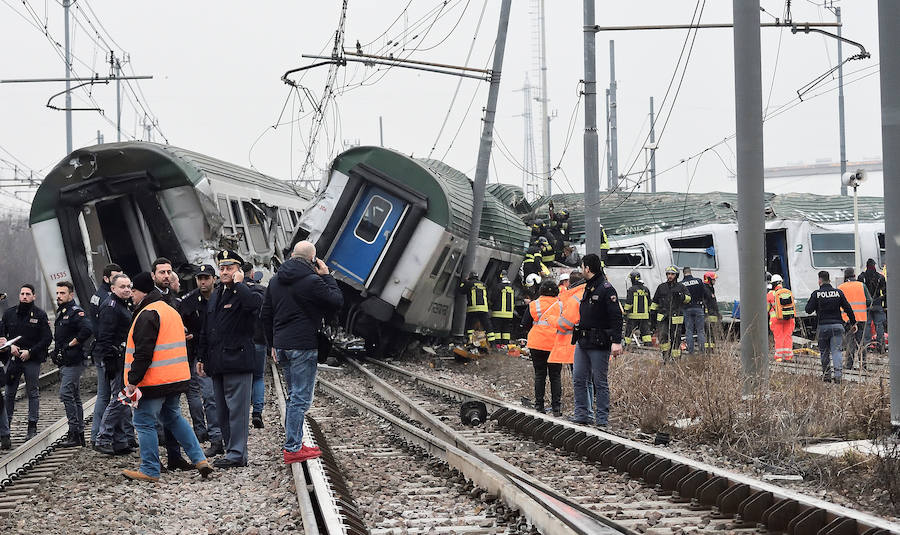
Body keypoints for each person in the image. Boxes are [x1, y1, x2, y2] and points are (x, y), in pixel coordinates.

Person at [122, 272, 212, 482]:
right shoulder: (169, 310)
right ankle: (200, 459)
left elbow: (144, 353)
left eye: (133, 292)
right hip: (176, 378)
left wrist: (132, 381)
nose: (131, 296)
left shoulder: (147, 313)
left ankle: (150, 469)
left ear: (141, 292)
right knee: (173, 417)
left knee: (144, 422)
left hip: (153, 381)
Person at [261, 241, 343, 464]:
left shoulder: (275, 281)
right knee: (300, 398)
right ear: (312, 259)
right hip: (303, 345)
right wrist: (326, 275)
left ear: (292, 256)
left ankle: (295, 441)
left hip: (283, 345)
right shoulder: (313, 281)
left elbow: (265, 314)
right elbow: (336, 301)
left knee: (292, 395)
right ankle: (293, 447)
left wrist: (272, 345)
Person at [197, 250, 263, 469]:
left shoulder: (247, 290)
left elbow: (255, 306)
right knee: (221, 409)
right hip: (217, 361)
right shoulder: (217, 294)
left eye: (230, 268)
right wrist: (202, 356)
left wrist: (239, 284)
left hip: (237, 359)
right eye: (222, 268)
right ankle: (229, 449)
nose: (225, 272)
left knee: (237, 410)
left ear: (239, 271)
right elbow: (208, 327)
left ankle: (237, 453)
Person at [571, 253, 622, 427]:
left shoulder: (606, 288)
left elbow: (616, 317)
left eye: (582, 266)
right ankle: (582, 415)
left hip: (599, 342)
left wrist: (616, 341)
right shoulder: (589, 286)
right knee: (578, 378)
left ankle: (601, 419)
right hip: (583, 341)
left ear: (587, 268)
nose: (581, 270)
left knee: (599, 381)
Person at [178, 264, 223, 455]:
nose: (203, 282)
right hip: (197, 353)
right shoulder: (189, 302)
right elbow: (181, 323)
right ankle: (212, 435)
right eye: (199, 278)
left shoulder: (222, 297)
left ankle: (217, 434)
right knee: (206, 396)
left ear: (213, 279)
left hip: (219, 352)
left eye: (206, 278)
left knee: (215, 396)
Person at [93, 273, 138, 455]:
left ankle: (120, 441)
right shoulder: (111, 307)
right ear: (113, 288)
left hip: (121, 358)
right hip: (115, 358)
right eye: (122, 287)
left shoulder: (121, 304)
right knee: (120, 398)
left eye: (128, 286)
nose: (127, 289)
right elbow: (105, 336)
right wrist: (109, 360)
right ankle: (103, 437)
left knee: (121, 398)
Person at [1, 284, 52, 441]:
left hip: (31, 359)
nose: (24, 296)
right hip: (13, 359)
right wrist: (10, 347)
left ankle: (32, 426)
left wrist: (31, 352)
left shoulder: (40, 315)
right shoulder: (9, 314)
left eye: (28, 294)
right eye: (22, 293)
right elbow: (2, 336)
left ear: (33, 296)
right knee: (9, 393)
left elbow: (47, 338)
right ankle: (5, 428)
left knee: (33, 392)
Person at [52, 281, 93, 447]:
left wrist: (71, 344)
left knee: (66, 393)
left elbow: (87, 329)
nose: (59, 296)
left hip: (75, 359)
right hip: (66, 360)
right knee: (74, 396)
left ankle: (74, 431)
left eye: (62, 293)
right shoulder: (62, 312)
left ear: (71, 295)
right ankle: (79, 434)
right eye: (58, 293)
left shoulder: (76, 312)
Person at [89, 263, 123, 446]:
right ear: (107, 279)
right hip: (107, 352)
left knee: (106, 395)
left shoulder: (98, 296)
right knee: (107, 395)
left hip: (101, 349)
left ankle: (102, 435)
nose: (119, 279)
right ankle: (98, 435)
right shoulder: (107, 299)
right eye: (116, 276)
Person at [805, 271, 855, 383]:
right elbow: (848, 308)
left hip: (823, 327)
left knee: (824, 352)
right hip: (838, 326)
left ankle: (826, 376)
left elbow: (808, 310)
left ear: (820, 280)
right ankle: (838, 376)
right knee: (836, 351)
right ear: (829, 280)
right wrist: (853, 322)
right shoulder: (838, 293)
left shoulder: (816, 294)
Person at [520, 280, 560, 415]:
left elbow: (525, 323)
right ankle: (556, 408)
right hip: (555, 343)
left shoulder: (534, 304)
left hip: (536, 343)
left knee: (540, 375)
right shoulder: (561, 305)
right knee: (555, 376)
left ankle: (539, 406)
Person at [243, 262, 268, 429]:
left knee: (243, 378)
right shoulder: (263, 291)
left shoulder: (235, 291)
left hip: (242, 342)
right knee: (258, 377)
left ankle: (242, 413)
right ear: (252, 274)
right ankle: (257, 412)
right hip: (260, 340)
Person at [651, 266, 690, 361]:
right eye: (668, 274)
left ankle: (676, 360)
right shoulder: (661, 287)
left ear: (676, 275)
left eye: (672, 274)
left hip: (676, 318)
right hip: (663, 318)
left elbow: (688, 299)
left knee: (676, 339)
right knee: (663, 338)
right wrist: (652, 315)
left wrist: (681, 296)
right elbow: (655, 302)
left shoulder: (681, 287)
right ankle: (665, 357)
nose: (670, 276)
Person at [838, 267, 871, 370]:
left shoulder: (840, 287)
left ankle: (849, 365)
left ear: (845, 276)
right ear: (854, 276)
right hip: (861, 318)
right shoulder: (862, 285)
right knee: (862, 342)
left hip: (847, 319)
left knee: (850, 342)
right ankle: (864, 365)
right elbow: (869, 301)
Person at [458, 272, 496, 345]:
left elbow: (461, 291)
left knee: (469, 327)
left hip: (473, 309)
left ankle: (470, 342)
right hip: (484, 310)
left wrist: (463, 282)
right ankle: (493, 345)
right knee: (488, 327)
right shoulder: (483, 285)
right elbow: (487, 296)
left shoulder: (469, 284)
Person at [858, 258, 887, 353]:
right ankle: (881, 346)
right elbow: (886, 292)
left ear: (866, 266)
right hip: (878, 304)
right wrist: (883, 302)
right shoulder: (880, 277)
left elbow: (860, 291)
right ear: (874, 266)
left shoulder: (862, 277)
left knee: (866, 325)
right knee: (879, 325)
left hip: (865, 305)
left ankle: (866, 345)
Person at [680, 267, 709, 355]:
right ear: (690, 272)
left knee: (689, 331)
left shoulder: (681, 284)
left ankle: (691, 352)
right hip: (698, 307)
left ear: (683, 273)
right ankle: (702, 351)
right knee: (700, 330)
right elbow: (705, 293)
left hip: (687, 309)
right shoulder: (699, 281)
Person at [767, 274, 795, 362]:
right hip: (789, 319)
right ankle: (788, 356)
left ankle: (779, 357)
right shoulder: (787, 292)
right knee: (787, 336)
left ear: (773, 284)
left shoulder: (770, 294)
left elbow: (766, 309)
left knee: (779, 337)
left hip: (776, 320)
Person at [623, 271, 652, 347]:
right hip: (645, 317)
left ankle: (627, 347)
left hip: (633, 317)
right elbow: (650, 303)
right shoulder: (646, 289)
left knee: (628, 333)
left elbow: (628, 304)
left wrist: (625, 313)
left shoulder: (631, 290)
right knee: (646, 333)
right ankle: (648, 347)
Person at [489, 270, 515, 347]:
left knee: (497, 329)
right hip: (509, 314)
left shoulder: (498, 287)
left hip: (498, 313)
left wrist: (490, 305)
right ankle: (505, 344)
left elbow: (493, 298)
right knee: (506, 330)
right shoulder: (511, 287)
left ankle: (497, 344)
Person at [702, 272, 721, 350]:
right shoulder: (705, 289)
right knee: (708, 332)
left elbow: (714, 302)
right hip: (708, 313)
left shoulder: (711, 288)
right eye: (713, 279)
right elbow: (707, 302)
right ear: (709, 279)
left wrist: (717, 313)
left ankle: (712, 348)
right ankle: (708, 349)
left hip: (713, 313)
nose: (714, 281)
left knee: (712, 332)